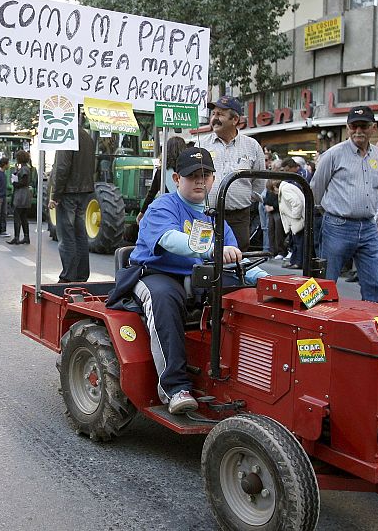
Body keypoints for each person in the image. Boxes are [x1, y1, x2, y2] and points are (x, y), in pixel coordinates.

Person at [106, 147, 267, 415]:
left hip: (197, 277)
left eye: (206, 175)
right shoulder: (162, 206)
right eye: (193, 176)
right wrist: (211, 250)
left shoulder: (216, 218)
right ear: (177, 178)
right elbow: (169, 239)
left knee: (240, 293)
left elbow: (236, 259)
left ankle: (236, 376)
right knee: (165, 299)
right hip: (155, 273)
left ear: (214, 179)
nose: (200, 181)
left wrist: (265, 279)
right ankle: (174, 387)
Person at [311, 106, 378, 303]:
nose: (358, 131)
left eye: (364, 126)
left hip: (369, 227)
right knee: (325, 284)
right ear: (347, 127)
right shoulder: (333, 154)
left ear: (374, 128)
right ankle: (317, 327)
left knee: (375, 285)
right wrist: (324, 216)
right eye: (354, 126)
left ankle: (373, 330)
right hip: (338, 225)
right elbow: (315, 190)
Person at [198, 95, 266, 251]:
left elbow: (259, 181)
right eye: (213, 113)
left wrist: (242, 199)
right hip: (207, 216)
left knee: (236, 258)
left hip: (238, 217)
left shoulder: (252, 146)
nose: (214, 118)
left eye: (220, 114)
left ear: (234, 120)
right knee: (204, 256)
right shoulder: (201, 144)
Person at [50, 124, 96, 282]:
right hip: (83, 190)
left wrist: (55, 195)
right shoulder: (87, 136)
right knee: (79, 233)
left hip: (69, 191)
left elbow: (62, 168)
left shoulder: (67, 135)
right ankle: (81, 275)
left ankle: (68, 276)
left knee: (66, 234)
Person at [137, 135, 186, 223]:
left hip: (166, 210)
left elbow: (151, 193)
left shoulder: (162, 171)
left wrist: (142, 212)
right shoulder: (187, 171)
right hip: (184, 212)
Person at [277, 158, 305, 270]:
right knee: (296, 242)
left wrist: (295, 217)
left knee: (298, 242)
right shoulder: (289, 185)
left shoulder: (286, 188)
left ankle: (298, 262)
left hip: (296, 219)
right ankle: (295, 261)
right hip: (297, 219)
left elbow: (296, 203)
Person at [7, 150, 31, 245]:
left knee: (17, 216)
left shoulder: (24, 169)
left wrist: (15, 183)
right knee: (24, 217)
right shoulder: (25, 168)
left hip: (21, 195)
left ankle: (16, 237)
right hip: (25, 194)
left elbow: (24, 182)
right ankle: (26, 237)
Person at [264, 179, 286, 259]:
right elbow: (266, 198)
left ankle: (281, 251)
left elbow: (281, 201)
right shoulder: (270, 189)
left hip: (278, 211)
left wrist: (273, 207)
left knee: (278, 232)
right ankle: (272, 251)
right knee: (271, 231)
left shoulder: (280, 188)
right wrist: (266, 205)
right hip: (271, 211)